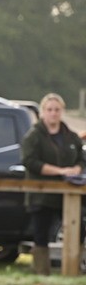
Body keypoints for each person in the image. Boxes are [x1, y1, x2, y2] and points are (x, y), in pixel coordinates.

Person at [21, 92, 83, 275]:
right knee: (41, 234)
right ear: (42, 112)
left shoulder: (71, 137)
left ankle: (73, 269)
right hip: (41, 195)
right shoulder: (34, 136)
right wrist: (59, 171)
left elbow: (81, 158)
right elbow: (30, 161)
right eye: (49, 110)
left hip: (69, 193)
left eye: (57, 110)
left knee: (78, 229)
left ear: (62, 111)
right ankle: (42, 272)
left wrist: (78, 169)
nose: (53, 113)